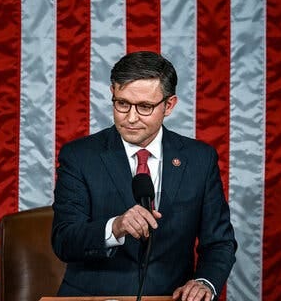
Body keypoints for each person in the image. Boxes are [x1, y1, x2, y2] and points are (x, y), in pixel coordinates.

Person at [52, 51, 237, 301]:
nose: (130, 118)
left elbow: (219, 242)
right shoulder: (79, 156)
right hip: (95, 295)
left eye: (145, 107)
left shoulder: (200, 160)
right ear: (112, 94)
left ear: (168, 106)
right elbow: (64, 240)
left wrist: (205, 282)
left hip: (170, 296)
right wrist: (115, 227)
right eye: (122, 103)